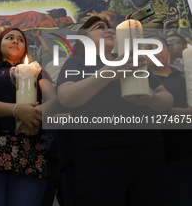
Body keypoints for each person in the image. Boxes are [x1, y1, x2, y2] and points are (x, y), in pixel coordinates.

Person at [56, 16, 173, 206]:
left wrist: (152, 99)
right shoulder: (77, 64)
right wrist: (109, 72)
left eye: (111, 28)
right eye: (100, 27)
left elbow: (167, 100)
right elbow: (67, 98)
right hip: (99, 154)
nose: (109, 30)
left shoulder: (133, 62)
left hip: (147, 151)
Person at [0, 28, 57, 206]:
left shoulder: (37, 72)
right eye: (9, 38)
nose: (15, 41)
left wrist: (34, 115)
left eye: (20, 39)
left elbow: (54, 101)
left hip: (31, 146)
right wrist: (17, 110)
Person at [146, 36, 192, 206]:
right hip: (155, 159)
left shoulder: (186, 76)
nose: (156, 51)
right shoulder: (140, 80)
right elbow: (148, 116)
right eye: (149, 48)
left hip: (186, 154)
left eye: (160, 46)